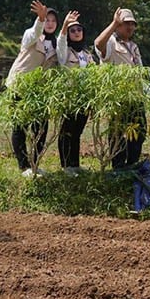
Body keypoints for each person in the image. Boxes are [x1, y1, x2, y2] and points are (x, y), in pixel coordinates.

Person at [6, 0, 59, 177]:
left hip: (39, 91)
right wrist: (40, 19)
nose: (50, 23)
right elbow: (36, 31)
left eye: (53, 21)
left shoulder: (56, 45)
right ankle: (23, 166)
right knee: (20, 126)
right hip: (20, 86)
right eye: (47, 20)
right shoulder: (31, 35)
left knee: (41, 128)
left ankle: (35, 165)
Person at [94, 7, 146, 170]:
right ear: (118, 26)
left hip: (136, 96)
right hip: (119, 97)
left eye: (132, 24)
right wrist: (113, 24)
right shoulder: (111, 42)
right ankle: (118, 166)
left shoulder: (134, 46)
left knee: (139, 131)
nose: (130, 27)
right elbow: (98, 44)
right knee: (118, 133)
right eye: (125, 23)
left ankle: (132, 164)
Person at [56, 10, 94, 175]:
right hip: (69, 97)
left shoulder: (87, 54)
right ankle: (66, 166)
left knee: (77, 131)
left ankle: (75, 164)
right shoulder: (64, 53)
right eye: (73, 30)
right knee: (67, 131)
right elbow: (60, 42)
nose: (76, 33)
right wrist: (65, 25)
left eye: (79, 30)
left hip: (84, 98)